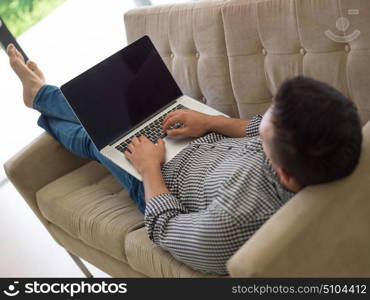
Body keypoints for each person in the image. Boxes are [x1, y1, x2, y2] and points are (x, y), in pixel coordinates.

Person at [7, 43, 363, 275]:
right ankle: (41, 96)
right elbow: (258, 128)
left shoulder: (234, 224)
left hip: (159, 177)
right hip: (198, 140)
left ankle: (39, 95)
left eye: (266, 135)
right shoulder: (327, 142)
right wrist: (211, 121)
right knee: (126, 114)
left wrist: (148, 169)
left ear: (284, 175)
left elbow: (165, 227)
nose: (260, 126)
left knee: (96, 139)